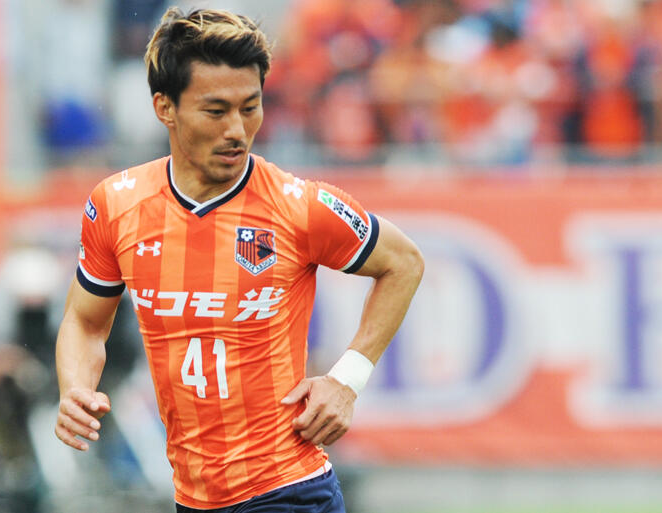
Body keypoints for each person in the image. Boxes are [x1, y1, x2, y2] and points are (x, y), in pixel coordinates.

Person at [54, 7, 424, 512]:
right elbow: (85, 321)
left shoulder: (299, 205)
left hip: (288, 490)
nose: (237, 129)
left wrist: (347, 380)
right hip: (194, 498)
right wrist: (75, 389)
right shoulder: (116, 206)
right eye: (216, 111)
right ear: (165, 108)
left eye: (250, 107)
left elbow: (404, 263)